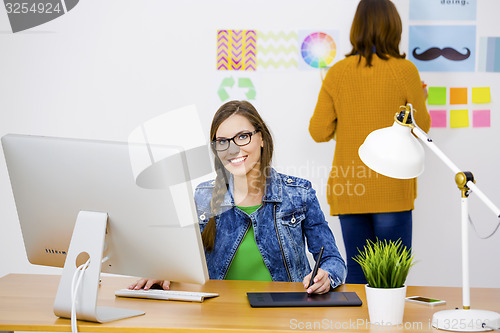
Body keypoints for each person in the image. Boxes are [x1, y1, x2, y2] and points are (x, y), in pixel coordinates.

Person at [130, 100, 346, 294]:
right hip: (220, 315)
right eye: (223, 141)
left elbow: (333, 261)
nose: (233, 149)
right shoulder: (203, 197)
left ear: (261, 138)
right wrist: (164, 271)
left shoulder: (299, 193)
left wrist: (327, 276)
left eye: (243, 136)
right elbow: (180, 260)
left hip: (285, 314)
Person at [308, 0, 431, 284]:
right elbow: (421, 128)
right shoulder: (404, 70)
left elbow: (318, 131)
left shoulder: (337, 72)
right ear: (394, 28)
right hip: (392, 186)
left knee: (358, 279)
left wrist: (345, 113)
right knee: (391, 280)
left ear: (356, 28)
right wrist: (420, 102)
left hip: (351, 185)